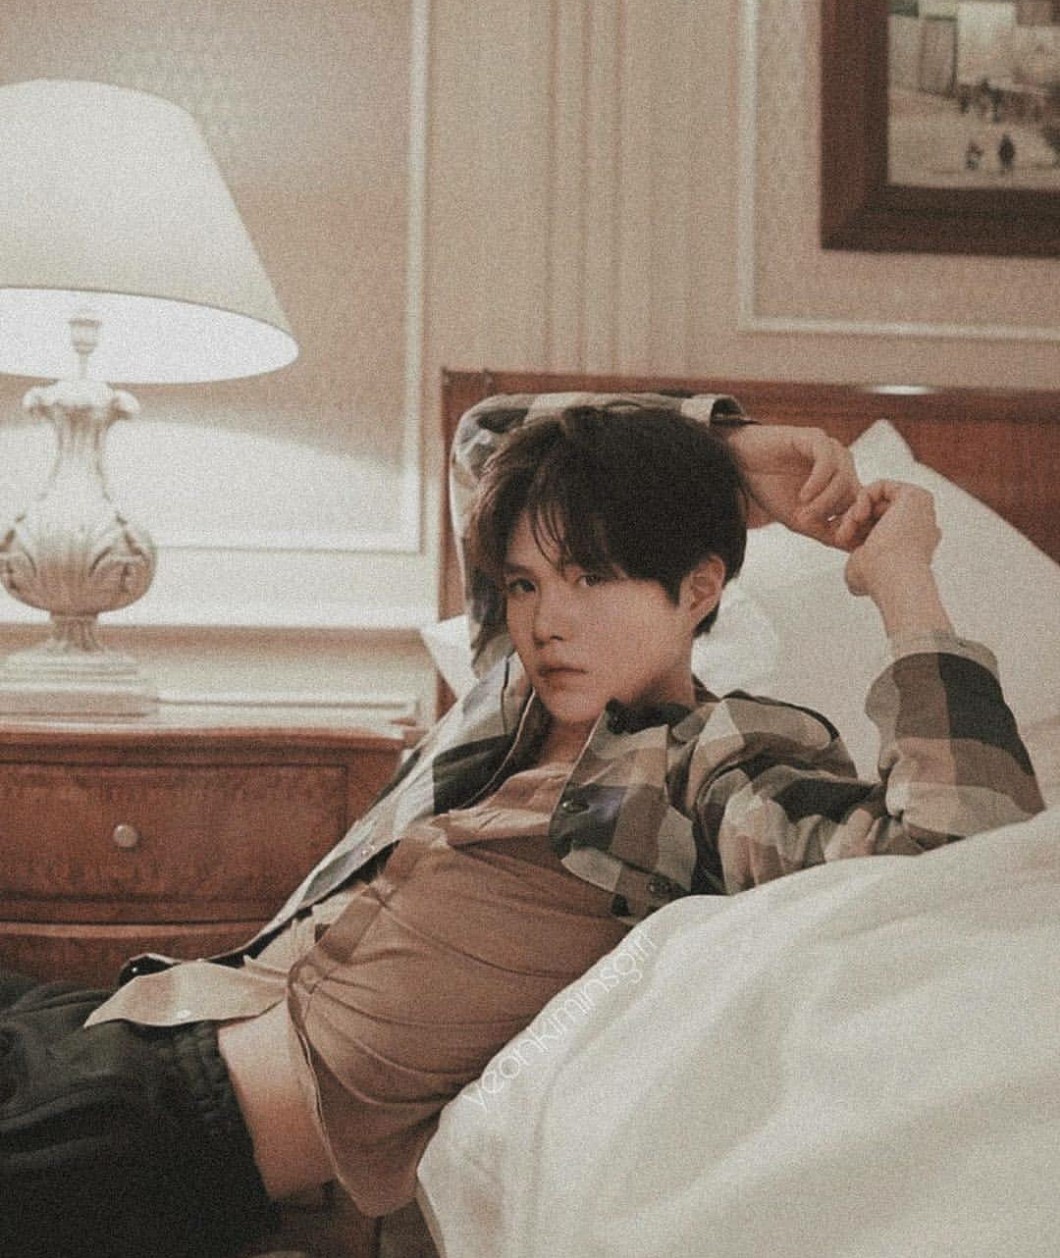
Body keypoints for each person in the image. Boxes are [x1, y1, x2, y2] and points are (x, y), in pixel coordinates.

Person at [1, 393, 1043, 1258]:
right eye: (526, 584)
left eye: (591, 576)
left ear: (699, 588)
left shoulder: (698, 766)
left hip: (161, 1132)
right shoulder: (508, 705)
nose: (548, 620)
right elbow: (490, 435)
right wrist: (724, 451)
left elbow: (957, 846)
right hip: (116, 1024)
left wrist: (901, 581)